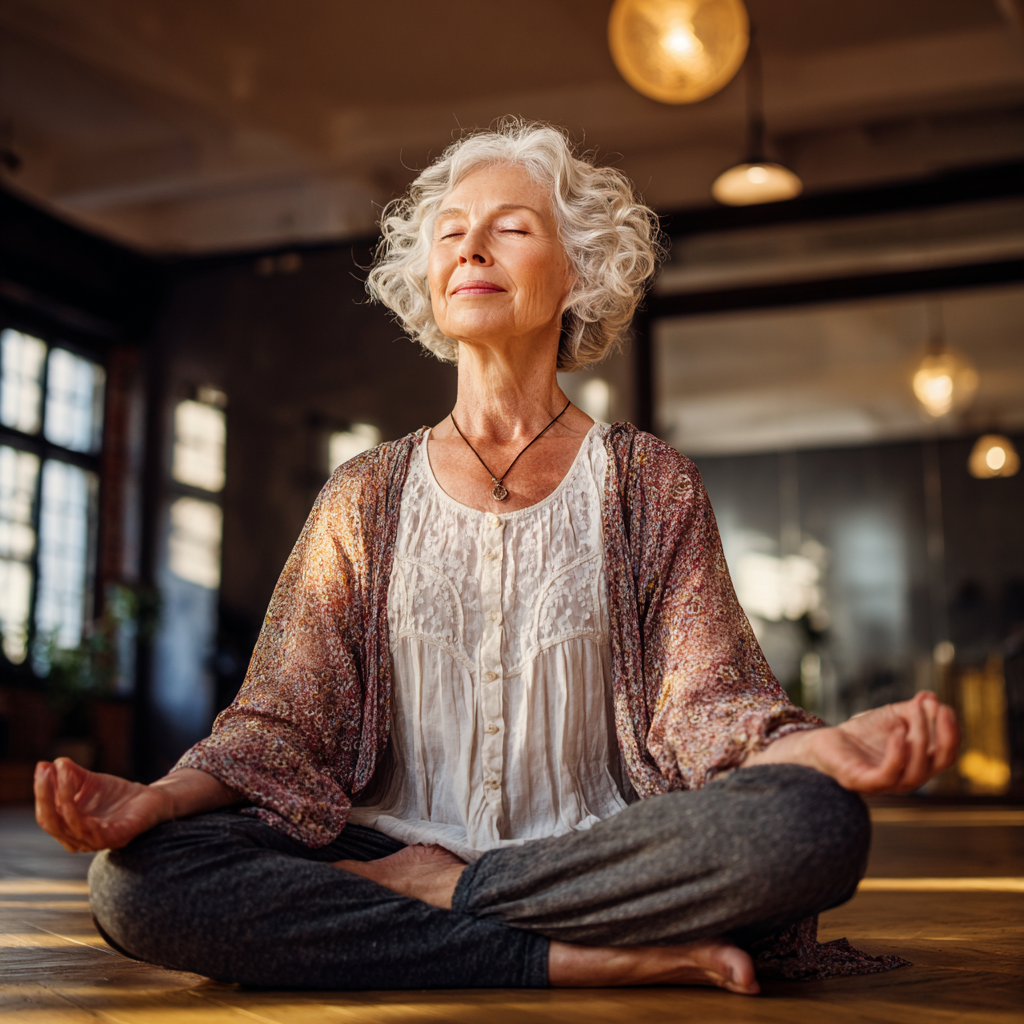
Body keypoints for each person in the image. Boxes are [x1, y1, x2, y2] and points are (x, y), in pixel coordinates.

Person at [35, 120, 958, 996]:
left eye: (510, 228)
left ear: (578, 276)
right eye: (451, 234)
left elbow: (708, 705)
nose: (470, 248)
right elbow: (280, 724)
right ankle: (569, 957)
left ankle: (450, 906)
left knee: (812, 828)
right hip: (384, 850)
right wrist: (160, 798)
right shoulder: (364, 493)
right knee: (138, 881)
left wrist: (816, 749)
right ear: (431, 277)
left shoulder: (649, 483)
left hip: (598, 853)